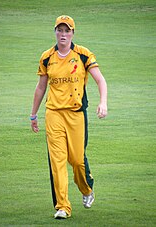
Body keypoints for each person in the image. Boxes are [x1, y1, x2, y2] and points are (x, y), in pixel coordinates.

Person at [30, 15, 107, 219]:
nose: (63, 34)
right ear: (55, 32)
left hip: (76, 115)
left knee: (77, 161)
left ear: (73, 33)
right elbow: (40, 87)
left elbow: (100, 80)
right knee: (57, 161)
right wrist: (33, 115)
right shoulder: (47, 57)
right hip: (53, 113)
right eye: (60, 30)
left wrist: (103, 102)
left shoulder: (83, 54)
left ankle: (86, 188)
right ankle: (62, 206)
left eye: (67, 30)